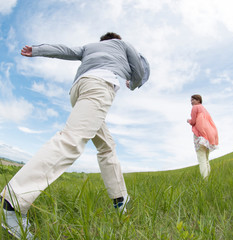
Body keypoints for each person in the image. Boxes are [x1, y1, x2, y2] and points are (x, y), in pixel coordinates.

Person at [0, 32, 150, 239]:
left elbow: (65, 51)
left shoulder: (89, 47)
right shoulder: (123, 44)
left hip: (79, 89)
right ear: (116, 39)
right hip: (99, 87)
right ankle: (13, 203)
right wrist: (133, 84)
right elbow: (140, 68)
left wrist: (37, 50)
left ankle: (120, 199)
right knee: (72, 140)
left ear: (102, 41)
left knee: (107, 147)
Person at [187, 94, 218, 179]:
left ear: (198, 100)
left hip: (199, 136)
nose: (191, 101)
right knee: (206, 159)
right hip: (208, 137)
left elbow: (193, 121)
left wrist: (188, 121)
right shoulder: (204, 110)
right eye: (191, 100)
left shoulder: (195, 108)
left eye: (193, 99)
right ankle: (209, 178)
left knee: (201, 159)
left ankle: (205, 180)